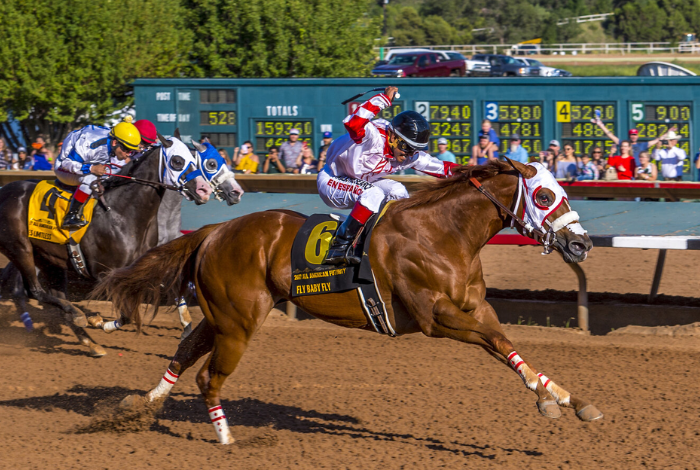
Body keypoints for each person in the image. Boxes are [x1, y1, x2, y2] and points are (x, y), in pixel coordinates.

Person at [318, 86, 460, 265]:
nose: (409, 155)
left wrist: (480, 171)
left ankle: (385, 241)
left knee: (398, 191)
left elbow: (443, 169)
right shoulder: (373, 136)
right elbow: (353, 124)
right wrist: (383, 99)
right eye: (407, 148)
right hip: (332, 179)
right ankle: (339, 246)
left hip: (361, 182)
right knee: (373, 194)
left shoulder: (408, 154)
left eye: (415, 150)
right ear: (392, 136)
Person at [54, 121, 141, 229]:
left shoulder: (114, 140)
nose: (128, 154)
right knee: (92, 178)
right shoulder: (90, 145)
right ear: (115, 143)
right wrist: (92, 168)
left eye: (131, 151)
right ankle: (71, 215)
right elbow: (65, 164)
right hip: (64, 167)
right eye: (127, 150)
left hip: (86, 161)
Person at [591, 118, 674, 165]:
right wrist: (601, 125)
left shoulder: (642, 145)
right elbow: (611, 136)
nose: (633, 136)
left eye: (635, 135)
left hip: (639, 171)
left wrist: (668, 133)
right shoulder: (625, 145)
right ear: (629, 136)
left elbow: (657, 140)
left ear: (637, 136)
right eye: (632, 135)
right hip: (628, 171)